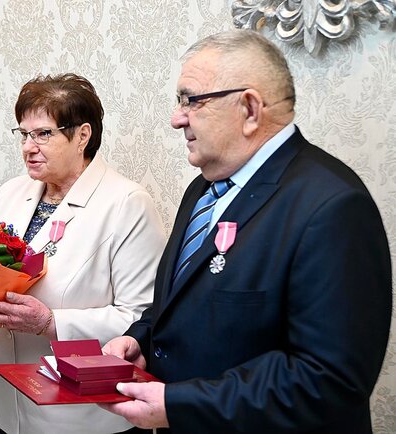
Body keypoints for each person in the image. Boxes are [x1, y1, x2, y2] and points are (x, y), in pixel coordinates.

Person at [101, 29, 392, 433]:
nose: (176, 118)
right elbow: (187, 305)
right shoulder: (202, 190)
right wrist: (141, 340)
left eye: (191, 100)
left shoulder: (333, 207)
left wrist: (180, 405)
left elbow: (328, 382)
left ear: (250, 109)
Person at [0, 73, 166, 434]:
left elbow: (142, 316)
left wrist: (51, 323)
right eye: (23, 134)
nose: (28, 147)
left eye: (43, 134)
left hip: (84, 413)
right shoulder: (9, 194)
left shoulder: (126, 204)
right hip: (13, 407)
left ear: (82, 136)